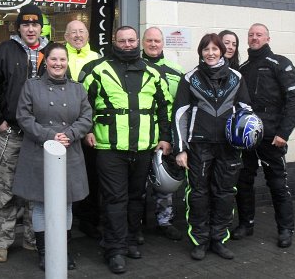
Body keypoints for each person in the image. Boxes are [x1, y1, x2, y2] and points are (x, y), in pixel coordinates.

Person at [80, 26, 172, 274]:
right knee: (114, 199)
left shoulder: (153, 72)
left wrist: (165, 137)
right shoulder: (96, 69)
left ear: (137, 42)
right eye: (123, 41)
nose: (128, 44)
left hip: (143, 148)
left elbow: (165, 108)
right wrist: (86, 129)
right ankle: (115, 250)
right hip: (109, 148)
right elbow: (82, 104)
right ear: (114, 42)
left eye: (132, 40)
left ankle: (131, 240)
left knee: (136, 198)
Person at [12, 43, 92, 271]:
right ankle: (45, 252)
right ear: (45, 62)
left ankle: (62, 250)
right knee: (41, 204)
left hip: (70, 149)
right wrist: (49, 136)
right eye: (53, 59)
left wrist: (70, 134)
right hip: (39, 150)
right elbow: (23, 117)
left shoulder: (78, 89)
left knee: (65, 204)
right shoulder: (31, 86)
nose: (58, 64)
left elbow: (86, 116)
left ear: (67, 62)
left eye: (62, 60)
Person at [0, 4, 51, 262]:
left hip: (42, 136)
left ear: (41, 27)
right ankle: (1, 242)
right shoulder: (3, 51)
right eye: (25, 24)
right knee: (7, 189)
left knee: (38, 190)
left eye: (35, 24)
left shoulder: (52, 52)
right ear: (19, 27)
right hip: (12, 133)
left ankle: (34, 238)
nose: (30, 29)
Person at [173, 33, 251, 261]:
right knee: (198, 194)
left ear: (222, 51)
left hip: (229, 147)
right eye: (206, 49)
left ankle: (219, 239)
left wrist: (246, 136)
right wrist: (181, 149)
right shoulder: (190, 78)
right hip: (199, 146)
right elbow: (180, 115)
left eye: (215, 49)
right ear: (200, 52)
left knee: (225, 193)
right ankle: (200, 240)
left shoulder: (237, 77)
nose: (210, 53)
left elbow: (246, 110)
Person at [232, 23, 295, 248]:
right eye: (251, 35)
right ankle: (246, 224)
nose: (254, 38)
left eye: (259, 35)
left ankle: (285, 229)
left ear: (268, 38)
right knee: (243, 181)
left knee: (277, 184)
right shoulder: (242, 68)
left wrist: (284, 133)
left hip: (272, 137)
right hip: (246, 138)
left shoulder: (280, 63)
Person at [141, 26, 184, 242]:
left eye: (157, 40)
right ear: (143, 42)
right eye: (149, 40)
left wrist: (169, 137)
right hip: (139, 135)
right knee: (137, 183)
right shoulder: (134, 68)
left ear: (163, 43)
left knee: (165, 185)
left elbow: (181, 107)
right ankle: (136, 224)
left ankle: (164, 221)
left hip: (165, 137)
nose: (153, 44)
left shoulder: (175, 71)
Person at [64, 20, 101, 239]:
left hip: (90, 129)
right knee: (66, 178)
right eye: (73, 32)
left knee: (90, 177)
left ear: (88, 35)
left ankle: (89, 221)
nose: (78, 35)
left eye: (81, 32)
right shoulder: (58, 56)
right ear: (66, 36)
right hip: (64, 128)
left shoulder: (97, 58)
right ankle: (66, 223)